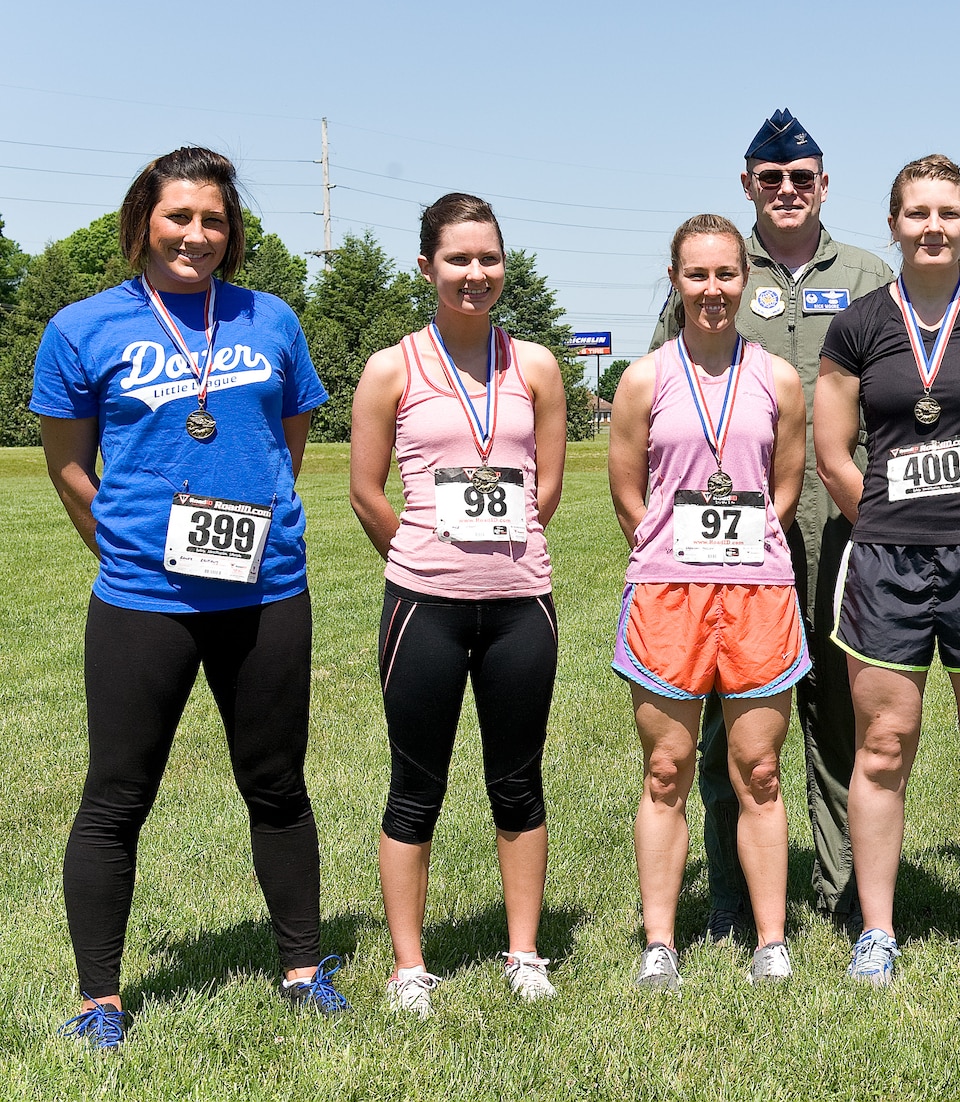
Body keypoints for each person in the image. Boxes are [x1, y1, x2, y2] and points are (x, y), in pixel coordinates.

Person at [33, 147, 344, 1047]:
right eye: (178, 217)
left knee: (278, 786)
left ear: (231, 231)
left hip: (266, 589)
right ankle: (100, 999)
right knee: (116, 796)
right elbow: (67, 465)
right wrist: (130, 546)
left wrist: (262, 520)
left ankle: (300, 970)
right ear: (144, 220)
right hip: (144, 600)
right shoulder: (82, 328)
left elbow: (287, 443)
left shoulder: (271, 319)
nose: (195, 236)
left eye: (213, 220)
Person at [650, 109, 892, 938]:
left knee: (843, 710)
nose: (786, 190)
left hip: (844, 529)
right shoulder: (714, 267)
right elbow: (658, 396)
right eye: (770, 178)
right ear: (748, 183)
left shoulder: (866, 274)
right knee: (726, 725)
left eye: (802, 178)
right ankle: (728, 897)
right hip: (726, 545)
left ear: (824, 185)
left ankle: (847, 890)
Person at [815, 154, 960, 987]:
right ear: (894, 223)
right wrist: (875, 519)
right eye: (917, 212)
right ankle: (877, 930)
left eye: (948, 212)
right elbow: (831, 447)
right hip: (884, 562)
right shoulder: (858, 325)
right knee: (882, 748)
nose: (933, 226)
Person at [349, 194, 570, 1015]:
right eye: (458, 260)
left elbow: (543, 488)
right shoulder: (392, 367)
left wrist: (499, 548)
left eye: (489, 258)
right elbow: (364, 491)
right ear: (427, 268)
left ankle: (524, 952)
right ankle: (411, 966)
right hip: (424, 607)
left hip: (521, 604)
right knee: (416, 786)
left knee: (518, 782)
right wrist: (420, 558)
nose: (476, 275)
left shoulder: (537, 366)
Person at [612, 214, 809, 988]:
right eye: (698, 274)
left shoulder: (777, 378)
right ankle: (660, 942)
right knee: (667, 767)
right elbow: (628, 490)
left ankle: (770, 941)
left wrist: (741, 548)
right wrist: (674, 547)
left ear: (747, 280)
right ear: (675, 280)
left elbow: (786, 486)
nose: (713, 289)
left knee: (758, 769)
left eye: (727, 274)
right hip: (667, 592)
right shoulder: (645, 377)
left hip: (759, 592)